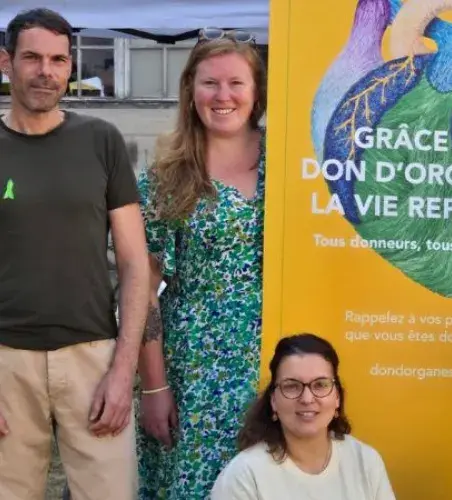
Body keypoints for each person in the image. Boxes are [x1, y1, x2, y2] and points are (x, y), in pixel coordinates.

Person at [0, 8, 150, 500]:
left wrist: (123, 371)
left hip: (93, 358)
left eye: (58, 60)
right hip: (6, 362)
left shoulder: (101, 141)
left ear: (70, 66)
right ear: (6, 62)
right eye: (32, 58)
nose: (46, 71)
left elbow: (134, 264)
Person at [134, 28, 268, 498]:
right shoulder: (167, 176)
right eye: (210, 83)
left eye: (236, 83)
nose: (222, 96)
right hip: (193, 366)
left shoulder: (293, 163)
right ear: (190, 92)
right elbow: (142, 288)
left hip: (276, 362)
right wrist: (154, 388)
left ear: (257, 92)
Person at [210, 333, 397, 499]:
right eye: (292, 386)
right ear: (273, 400)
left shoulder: (365, 461)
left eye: (320, 385)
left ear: (337, 398)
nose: (307, 399)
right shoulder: (244, 475)